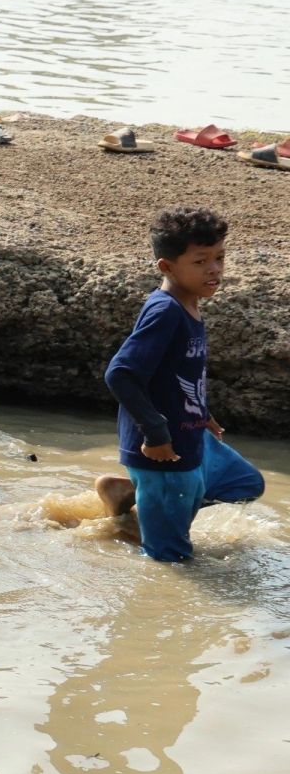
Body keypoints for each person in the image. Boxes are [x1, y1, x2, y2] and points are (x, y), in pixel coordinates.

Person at [94, 209, 263, 563]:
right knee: (170, 560)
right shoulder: (165, 312)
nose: (215, 269)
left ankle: (129, 493)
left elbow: (175, 372)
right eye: (200, 261)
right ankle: (149, 500)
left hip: (191, 431)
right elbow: (120, 373)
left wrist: (202, 411)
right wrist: (154, 432)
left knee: (245, 484)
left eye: (219, 258)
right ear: (166, 267)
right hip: (162, 450)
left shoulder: (189, 305)